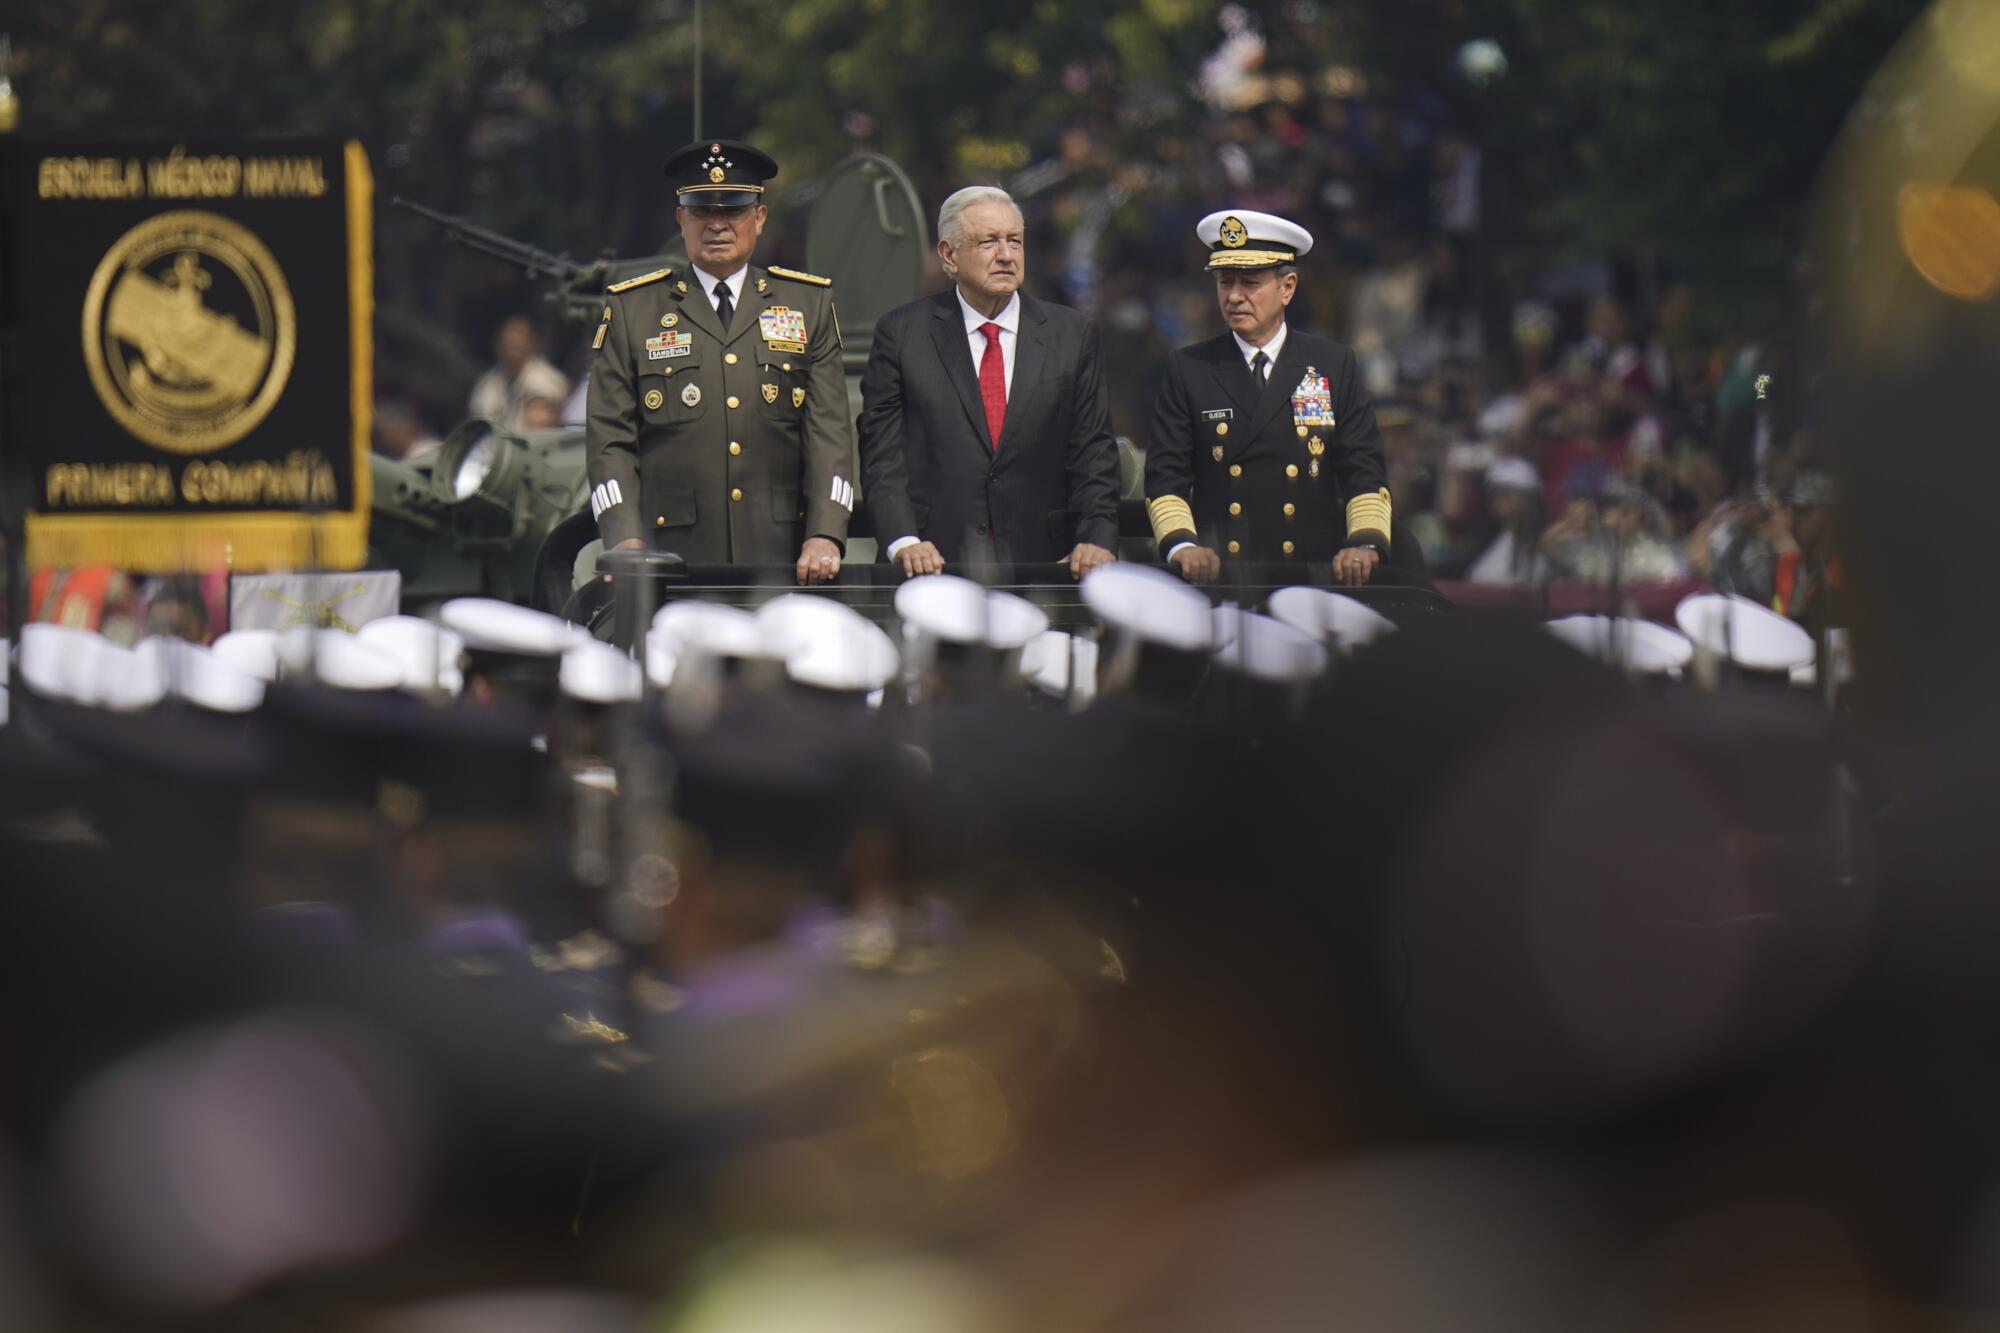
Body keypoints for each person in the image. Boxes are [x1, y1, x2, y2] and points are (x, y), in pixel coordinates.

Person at [584, 139, 853, 585]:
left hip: (782, 556)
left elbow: (830, 435)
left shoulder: (807, 304)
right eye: (702, 211)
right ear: (680, 219)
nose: (717, 225)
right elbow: (609, 438)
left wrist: (825, 534)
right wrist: (623, 538)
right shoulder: (634, 310)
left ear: (760, 217)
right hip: (667, 559)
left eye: (733, 210)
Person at [856, 185, 1119, 581]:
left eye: (1015, 241)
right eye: (989, 242)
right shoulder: (902, 333)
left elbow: (1094, 452)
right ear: (948, 255)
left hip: (1046, 566)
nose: (1006, 255)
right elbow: (882, 455)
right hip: (932, 567)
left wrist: (1096, 538)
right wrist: (902, 540)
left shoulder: (1073, 335)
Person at [1144, 209, 1392, 587]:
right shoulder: (1190, 368)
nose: (1234, 296)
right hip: (1223, 579)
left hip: (1311, 579)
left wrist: (1366, 544)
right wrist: (1182, 546)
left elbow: (1363, 470)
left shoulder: (1330, 364)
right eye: (1225, 283)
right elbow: (1166, 478)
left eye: (1250, 283)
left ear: (1287, 287)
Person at [468, 315, 570, 433]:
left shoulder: (550, 382)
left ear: (529, 344)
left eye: (516, 344)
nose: (511, 349)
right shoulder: (487, 385)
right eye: (507, 344)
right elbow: (476, 422)